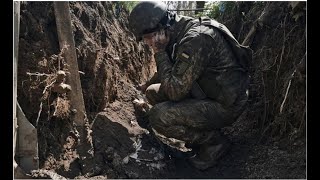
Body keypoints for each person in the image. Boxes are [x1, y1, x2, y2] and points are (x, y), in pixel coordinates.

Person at [129, 1, 252, 170]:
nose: (148, 44)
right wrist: (146, 84)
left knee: (158, 116)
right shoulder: (176, 30)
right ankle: (198, 131)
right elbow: (176, 67)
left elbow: (174, 92)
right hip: (209, 91)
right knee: (152, 92)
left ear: (160, 28)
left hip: (226, 105)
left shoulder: (195, 39)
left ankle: (214, 144)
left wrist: (159, 52)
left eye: (147, 39)